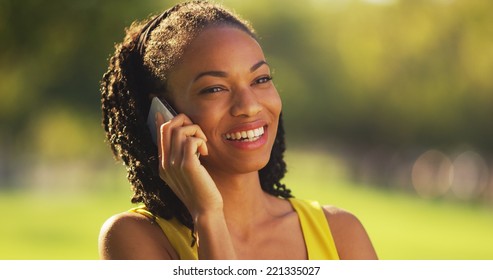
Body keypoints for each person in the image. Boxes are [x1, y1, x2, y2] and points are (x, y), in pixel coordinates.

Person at [99, 0, 377, 260]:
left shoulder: (342, 233)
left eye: (261, 79)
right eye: (214, 89)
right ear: (162, 114)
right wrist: (207, 215)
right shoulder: (135, 236)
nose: (250, 106)